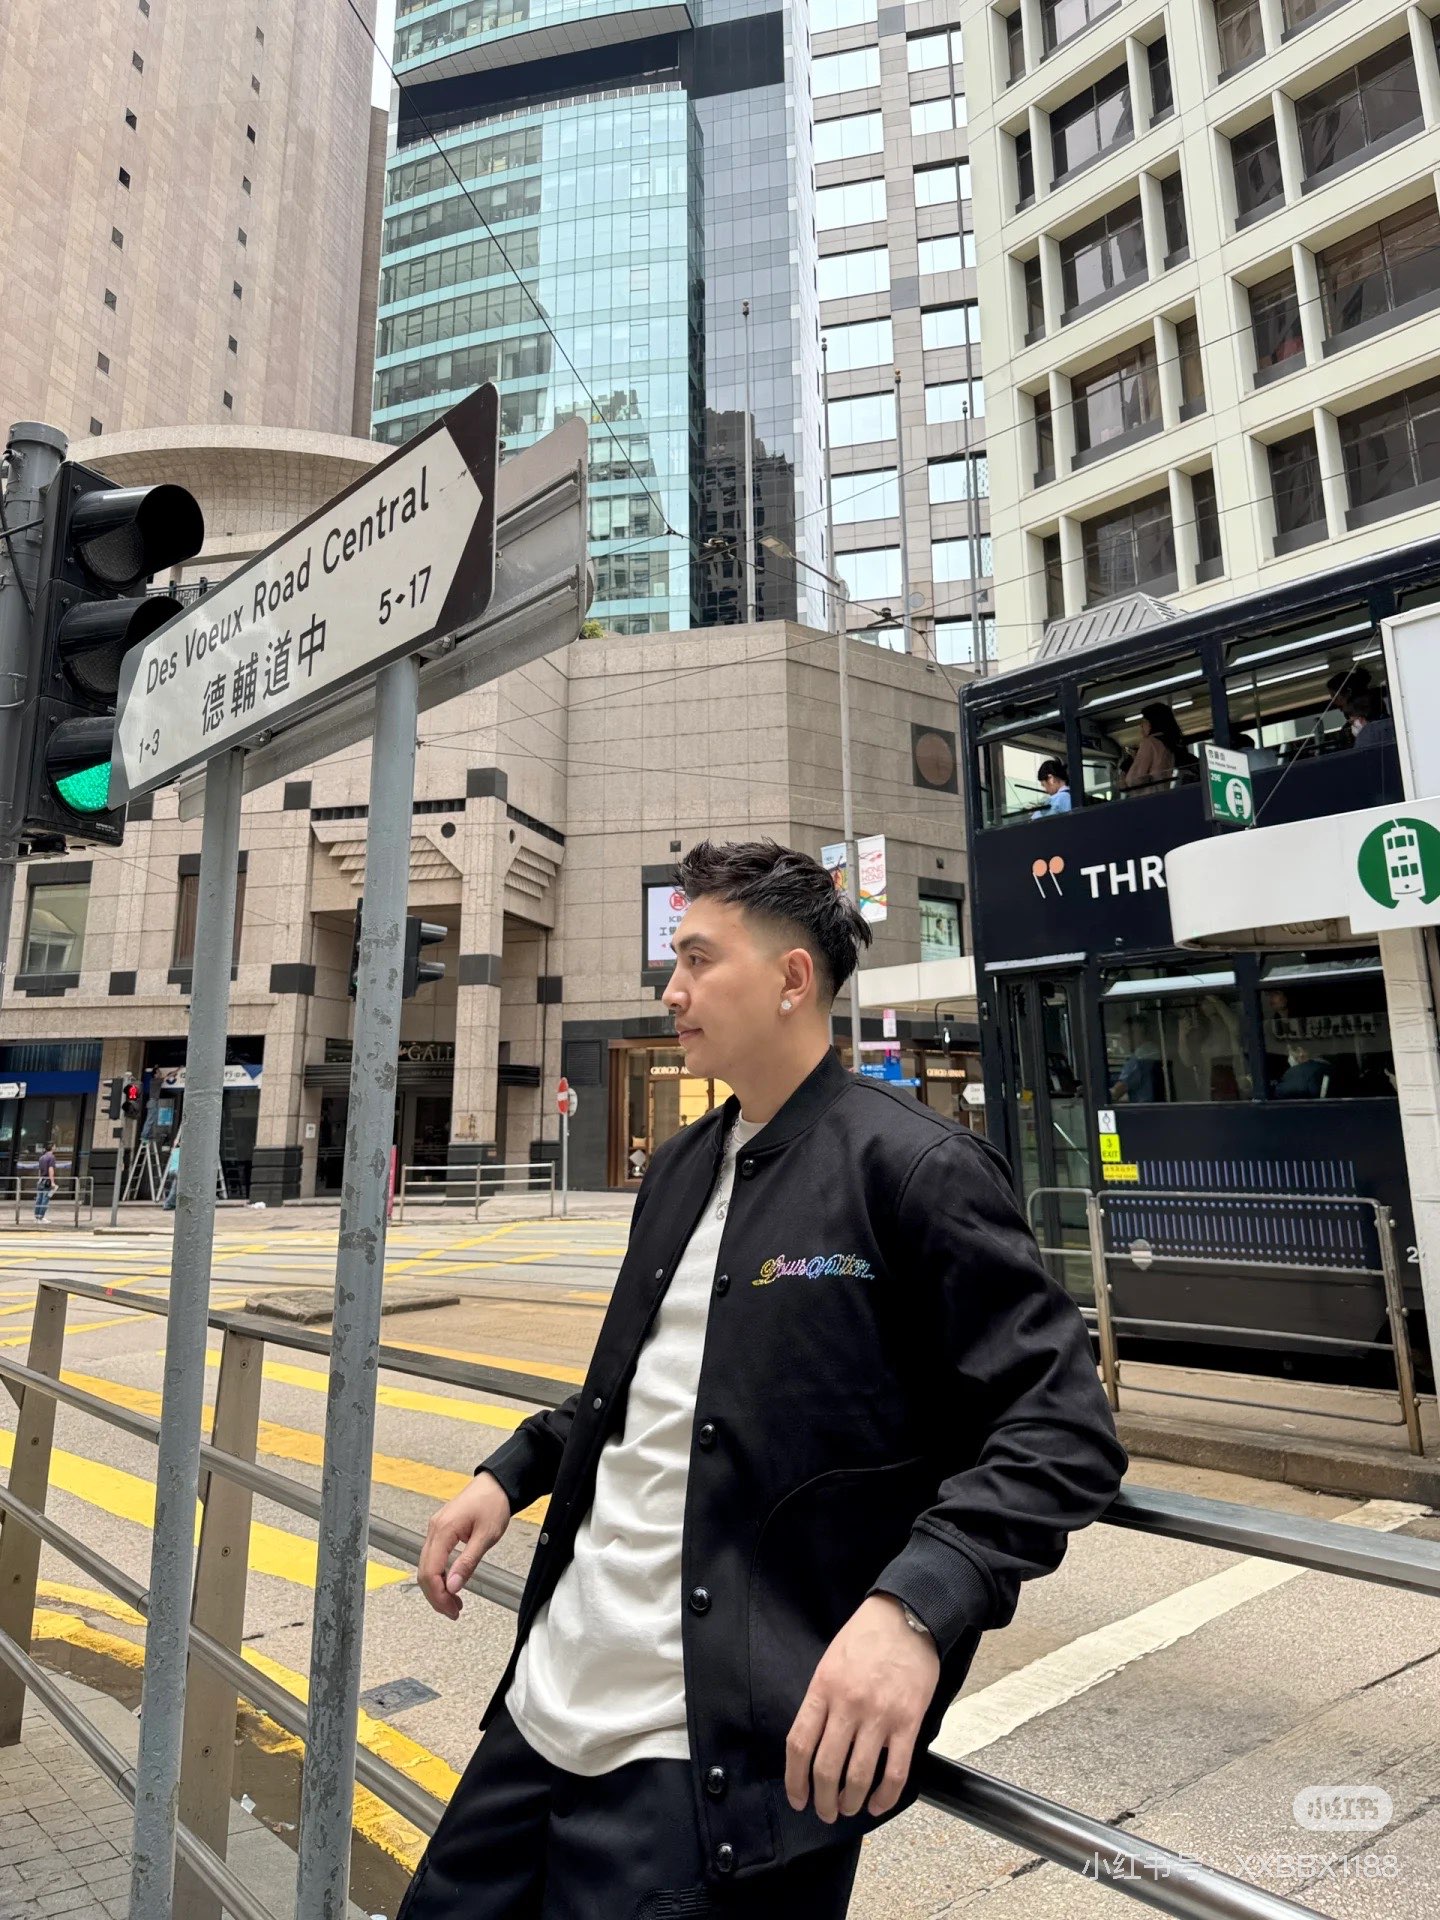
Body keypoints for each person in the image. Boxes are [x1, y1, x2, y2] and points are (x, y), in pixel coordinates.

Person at [402, 839, 1126, 1920]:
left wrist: (913, 1608)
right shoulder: (681, 1164)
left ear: (792, 979)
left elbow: (1063, 1428)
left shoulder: (914, 1168)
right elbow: (641, 1389)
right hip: (540, 1708)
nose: (672, 989)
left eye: (698, 959)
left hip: (710, 1772)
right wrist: (512, 1472)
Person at [1121, 703, 1193, 796]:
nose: (1141, 726)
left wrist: (1130, 766)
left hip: (1149, 798)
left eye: (1144, 721)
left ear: (1152, 723)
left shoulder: (1150, 742)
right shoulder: (1171, 744)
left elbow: (1134, 780)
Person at [1111, 1015, 1166, 1103]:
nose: (1122, 1040)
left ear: (1139, 1033)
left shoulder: (1139, 1060)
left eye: (1125, 1035)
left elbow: (1115, 1093)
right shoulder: (1155, 1051)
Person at [33, 1143, 57, 1224]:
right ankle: (41, 1217)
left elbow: (39, 1170)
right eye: (54, 1146)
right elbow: (51, 1169)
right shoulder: (52, 1157)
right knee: (45, 1199)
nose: (55, 1147)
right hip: (47, 1181)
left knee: (39, 1199)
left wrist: (39, 1179)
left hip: (41, 1180)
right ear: (52, 1147)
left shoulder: (42, 1157)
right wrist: (52, 1182)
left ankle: (37, 1217)